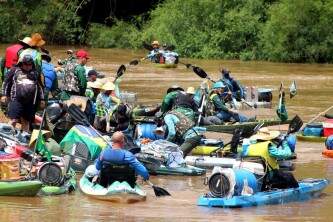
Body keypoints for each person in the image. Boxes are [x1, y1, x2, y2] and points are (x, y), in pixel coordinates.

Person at [1, 54, 45, 132]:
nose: (27, 66)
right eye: (25, 64)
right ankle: (7, 135)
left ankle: (24, 138)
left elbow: (40, 87)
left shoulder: (35, 73)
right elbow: (6, 83)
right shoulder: (14, 70)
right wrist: (4, 95)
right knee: (13, 120)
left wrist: (42, 99)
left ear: (32, 64)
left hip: (30, 102)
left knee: (26, 121)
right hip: (16, 100)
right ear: (22, 63)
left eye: (29, 64)